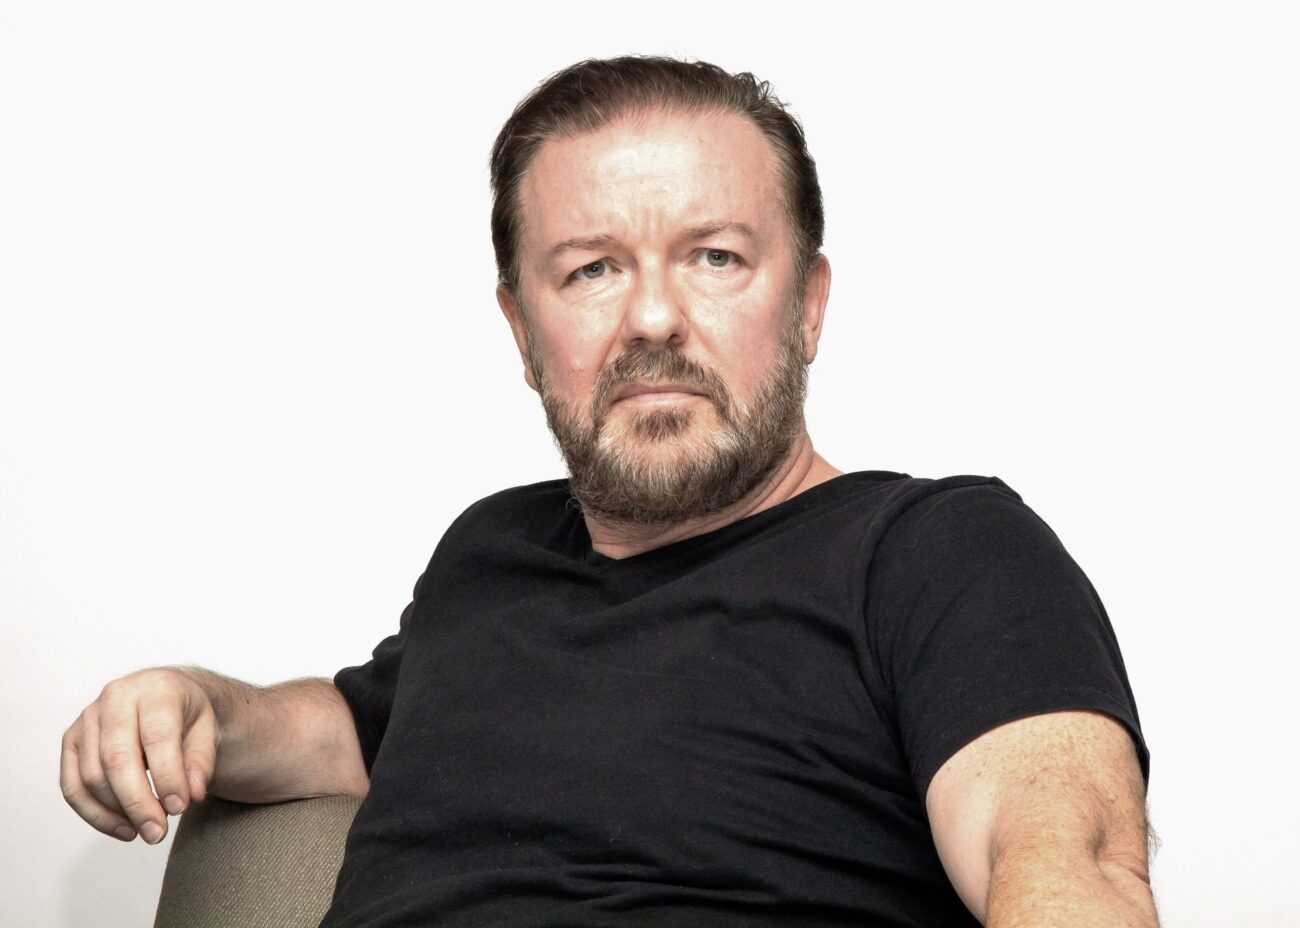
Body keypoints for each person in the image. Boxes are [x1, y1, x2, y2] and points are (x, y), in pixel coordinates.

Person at [60, 56, 1158, 926]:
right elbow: (357, 731)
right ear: (521, 332)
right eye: (591, 269)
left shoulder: (940, 551)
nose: (651, 319)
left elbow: (1064, 860)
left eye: (715, 257)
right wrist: (199, 703)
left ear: (809, 305)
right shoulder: (490, 552)